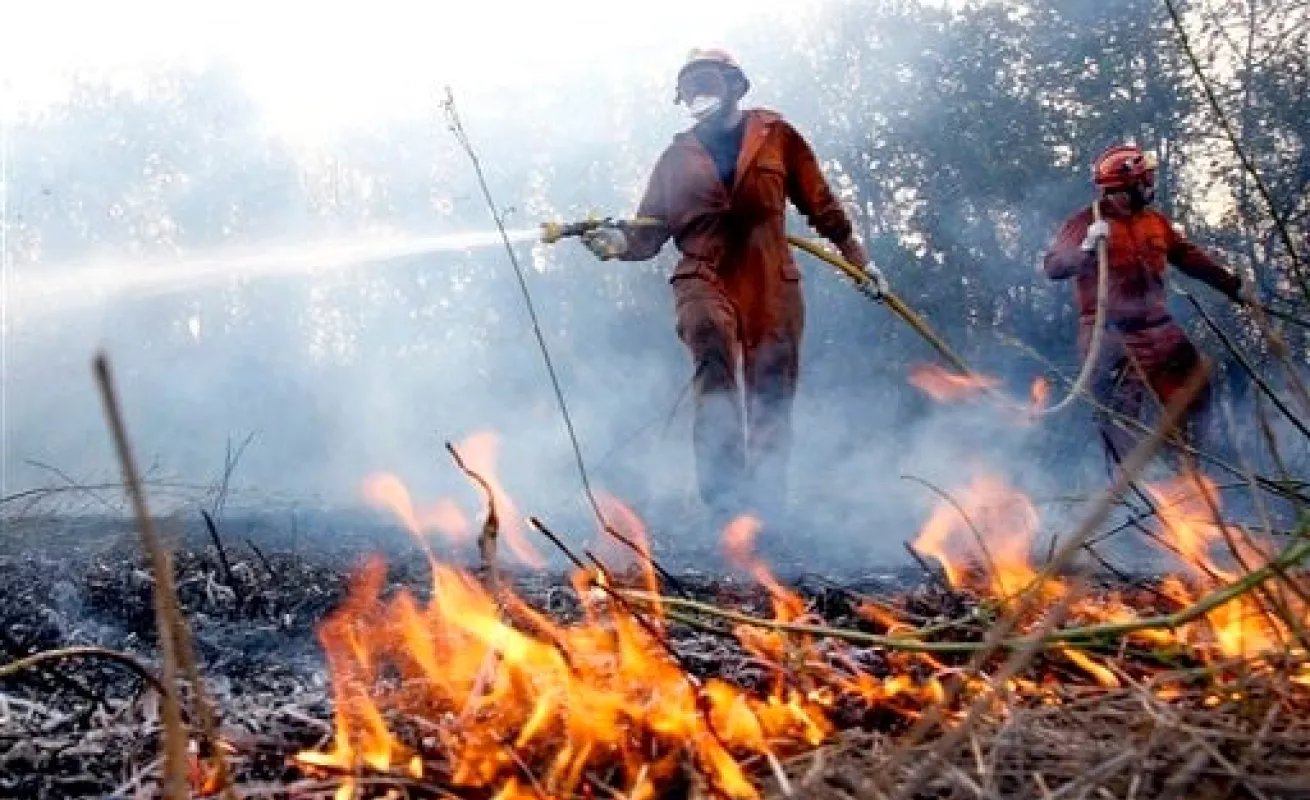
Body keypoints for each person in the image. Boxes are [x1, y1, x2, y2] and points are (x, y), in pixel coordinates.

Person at [581, 47, 888, 521]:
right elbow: (648, 231)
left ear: (734, 86)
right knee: (714, 347)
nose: (697, 94)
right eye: (688, 87)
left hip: (771, 280)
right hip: (703, 273)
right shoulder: (675, 157)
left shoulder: (777, 137)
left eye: (706, 82)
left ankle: (763, 512)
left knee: (772, 389)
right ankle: (724, 502)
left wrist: (861, 262)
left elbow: (823, 206)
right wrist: (617, 242)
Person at [1040, 143, 1253, 469]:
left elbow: (1186, 256)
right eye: (1146, 179)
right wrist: (1085, 247)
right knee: (1119, 417)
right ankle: (1133, 492)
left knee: (1193, 394)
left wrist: (1231, 285)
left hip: (1160, 330)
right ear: (1128, 184)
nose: (1151, 185)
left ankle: (1185, 471)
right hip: (1111, 338)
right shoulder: (1086, 222)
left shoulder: (1154, 222)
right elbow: (1053, 266)